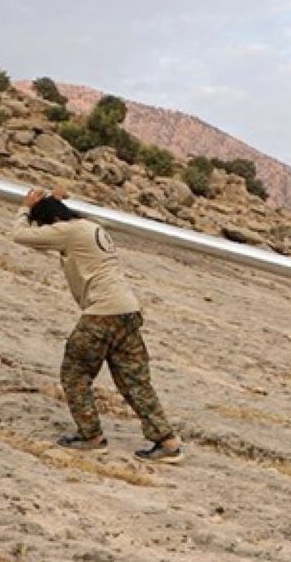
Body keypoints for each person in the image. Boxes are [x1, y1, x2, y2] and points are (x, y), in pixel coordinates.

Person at [12, 187, 183, 464]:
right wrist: (54, 200)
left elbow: (20, 235)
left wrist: (25, 207)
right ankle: (168, 442)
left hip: (102, 314)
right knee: (135, 382)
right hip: (127, 310)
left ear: (52, 222)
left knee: (75, 374)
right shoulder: (89, 227)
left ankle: (91, 437)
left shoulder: (67, 230)